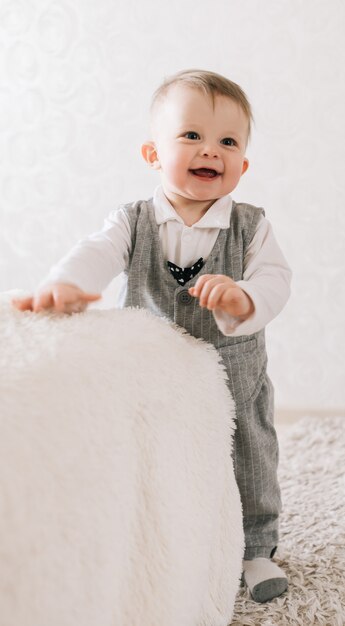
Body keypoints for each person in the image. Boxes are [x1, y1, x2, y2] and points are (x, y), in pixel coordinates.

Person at [13, 69, 292, 603]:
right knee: (154, 455)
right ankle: (158, 536)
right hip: (154, 376)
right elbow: (95, 252)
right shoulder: (132, 221)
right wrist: (66, 285)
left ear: (243, 164)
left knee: (250, 454)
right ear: (152, 154)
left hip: (233, 365)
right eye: (191, 135)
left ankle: (256, 547)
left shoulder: (251, 226)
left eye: (227, 142)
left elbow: (276, 281)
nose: (210, 149)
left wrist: (244, 297)